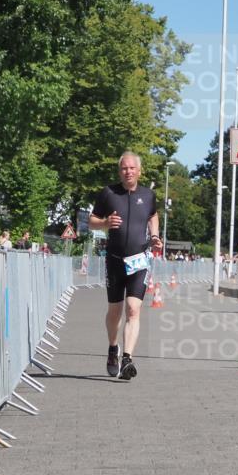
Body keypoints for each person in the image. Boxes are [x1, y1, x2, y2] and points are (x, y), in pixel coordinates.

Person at [89, 151, 162, 380]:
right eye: (124, 168)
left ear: (139, 171)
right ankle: (113, 349)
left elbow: (153, 215)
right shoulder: (108, 193)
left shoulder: (148, 195)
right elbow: (91, 221)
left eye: (132, 168)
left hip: (139, 260)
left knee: (133, 308)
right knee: (115, 310)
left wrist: (155, 236)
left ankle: (127, 359)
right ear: (119, 171)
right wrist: (105, 223)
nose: (128, 171)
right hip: (114, 260)